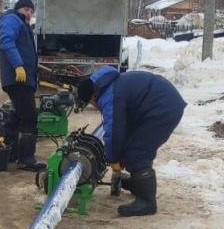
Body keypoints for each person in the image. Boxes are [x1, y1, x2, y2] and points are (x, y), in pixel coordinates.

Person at [76, 66, 186, 217]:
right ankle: (138, 184)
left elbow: (114, 131)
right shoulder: (110, 85)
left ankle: (147, 202)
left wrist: (113, 158)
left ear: (92, 97)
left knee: (138, 152)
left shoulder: (110, 96)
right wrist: (120, 152)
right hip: (162, 103)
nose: (94, 106)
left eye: (90, 103)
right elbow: (124, 126)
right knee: (134, 145)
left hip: (162, 108)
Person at [0, 0, 45, 170]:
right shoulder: (11, 19)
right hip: (19, 78)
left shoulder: (21, 24)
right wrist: (18, 66)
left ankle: (11, 153)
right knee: (29, 116)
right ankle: (26, 158)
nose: (29, 13)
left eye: (31, 10)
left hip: (23, 78)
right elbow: (6, 42)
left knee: (17, 116)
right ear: (17, 9)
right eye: (25, 9)